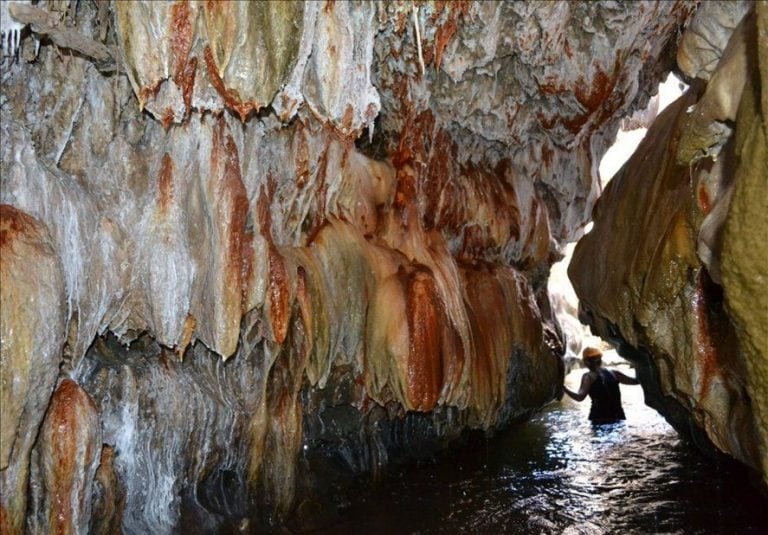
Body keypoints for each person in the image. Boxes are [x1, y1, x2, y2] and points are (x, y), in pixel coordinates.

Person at [563, 347, 640, 424]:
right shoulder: (614, 373)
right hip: (618, 416)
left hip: (599, 418)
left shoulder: (588, 377)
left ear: (586, 362)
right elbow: (635, 381)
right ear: (600, 359)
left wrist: (564, 388)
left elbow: (580, 397)